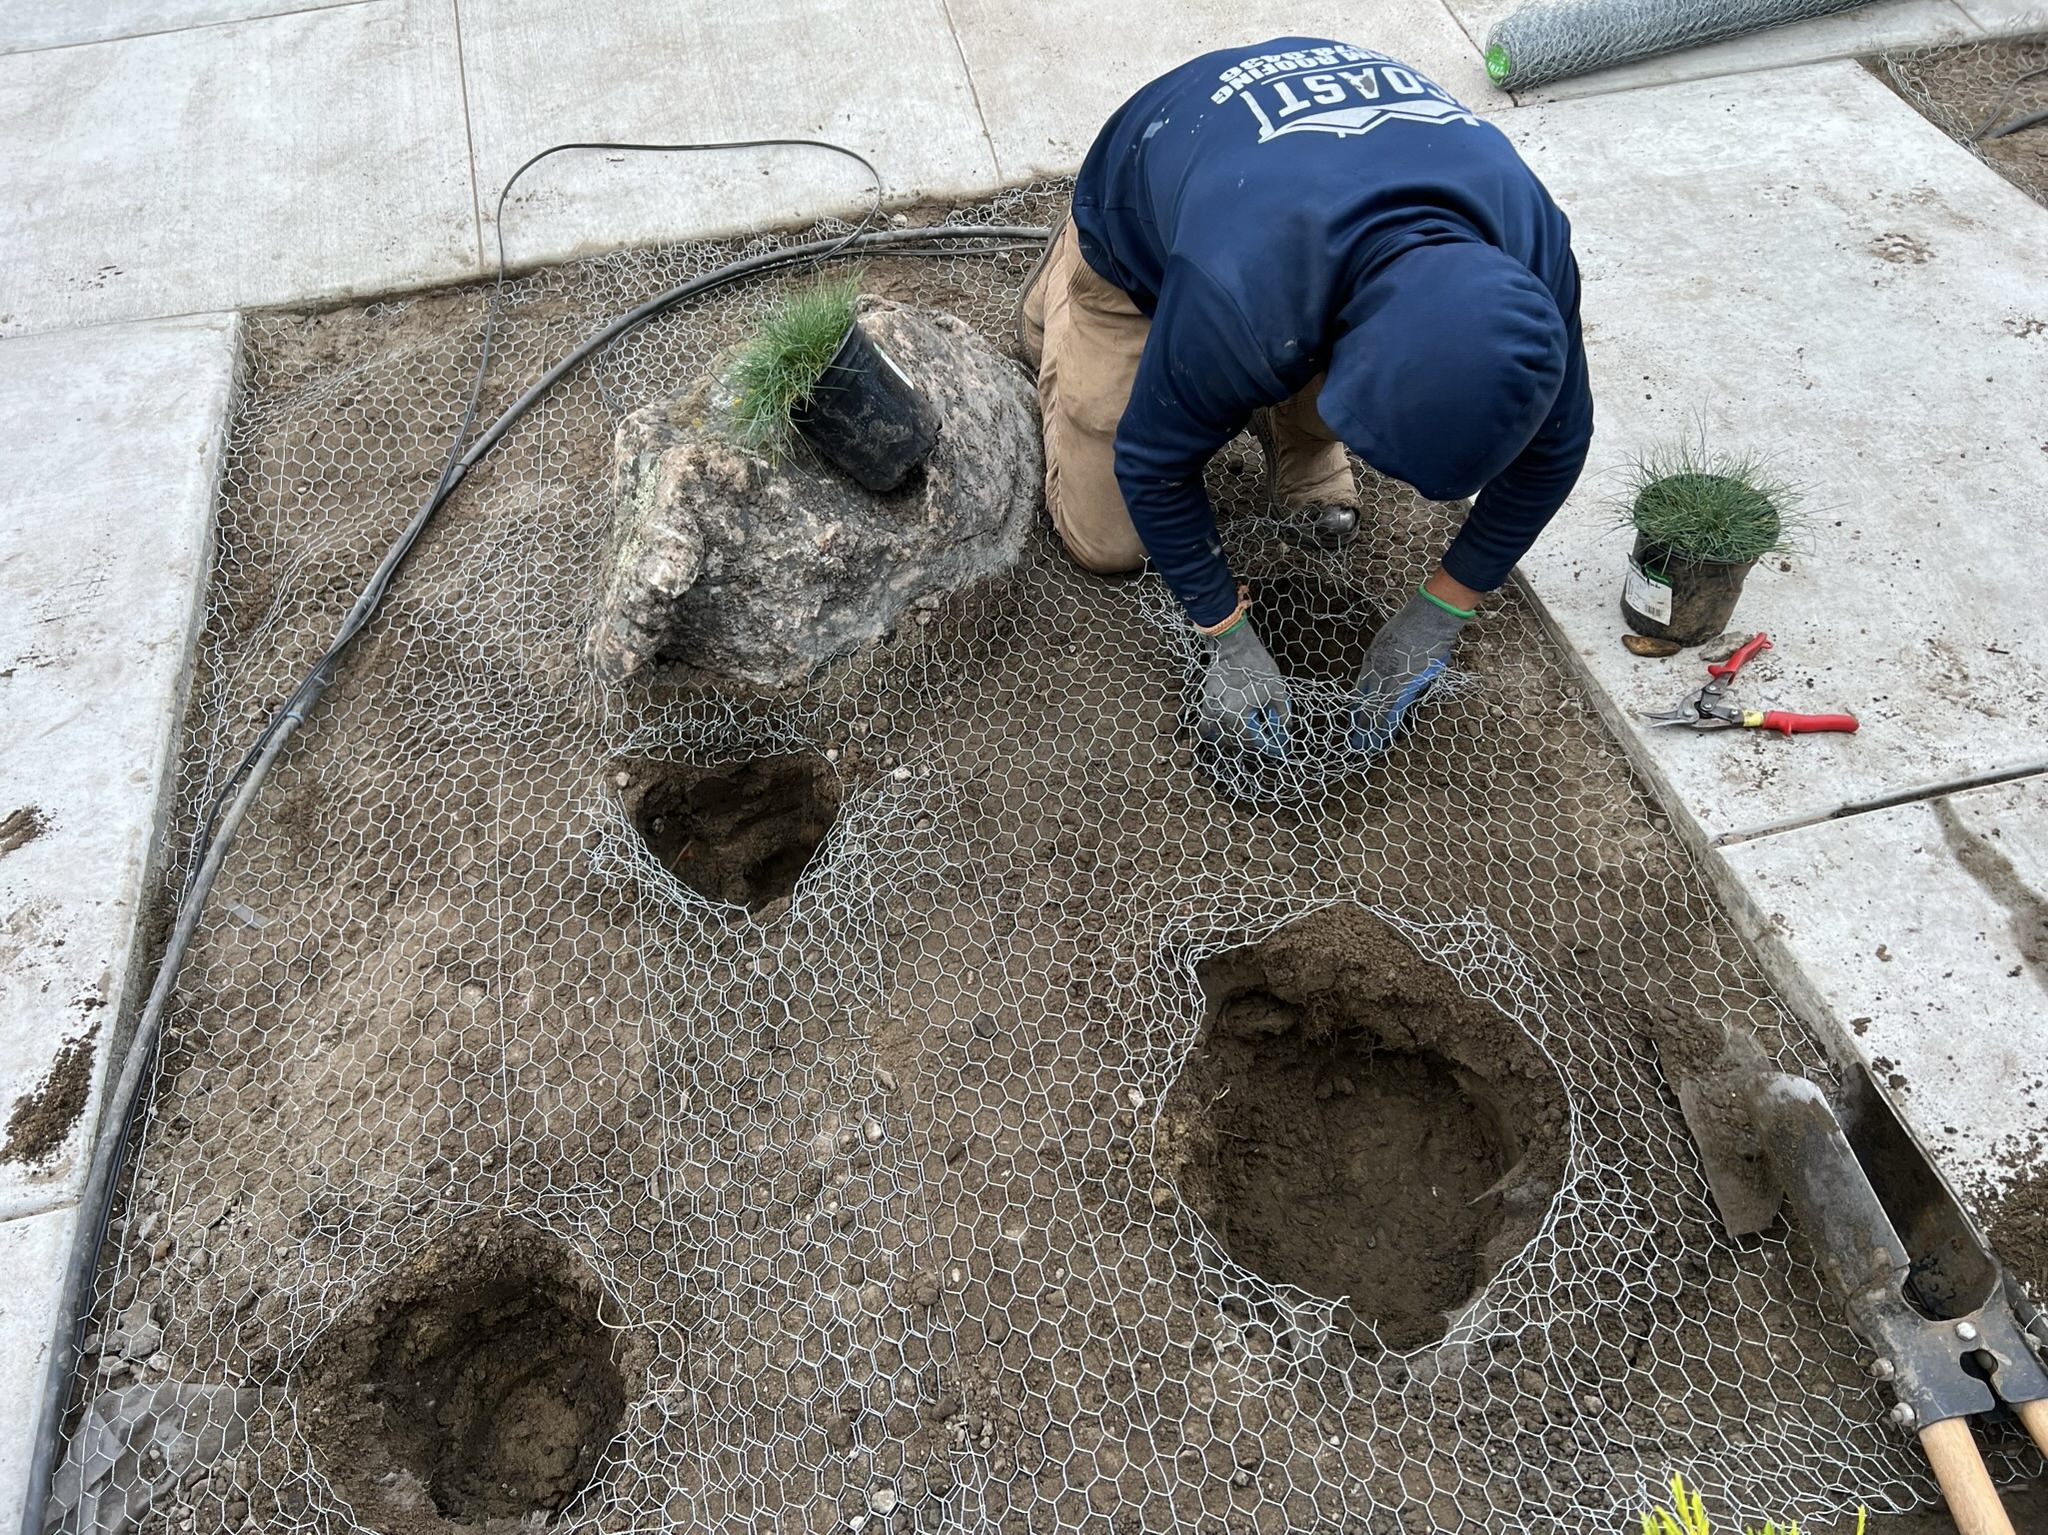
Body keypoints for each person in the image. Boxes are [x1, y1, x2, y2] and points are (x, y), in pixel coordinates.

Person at [1018, 38, 1593, 757]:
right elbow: (1152, 462)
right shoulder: (1247, 291)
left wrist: (1443, 608)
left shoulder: (1532, 253)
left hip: (1295, 215)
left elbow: (1558, 448)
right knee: (1107, 541)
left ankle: (1287, 417)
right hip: (1155, 173)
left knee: (1274, 358)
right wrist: (1227, 638)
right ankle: (1064, 274)